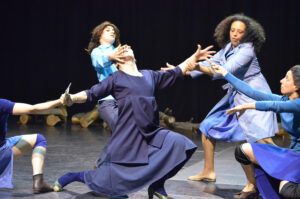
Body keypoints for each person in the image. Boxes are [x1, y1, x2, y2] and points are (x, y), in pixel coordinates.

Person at [53, 44, 215, 198]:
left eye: (128, 47)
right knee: (107, 180)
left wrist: (193, 58)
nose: (126, 48)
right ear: (116, 63)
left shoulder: (149, 75)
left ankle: (157, 184)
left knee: (182, 145)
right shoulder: (116, 78)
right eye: (122, 49)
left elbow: (177, 71)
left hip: (152, 133)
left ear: (134, 58)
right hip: (128, 135)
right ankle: (73, 176)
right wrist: (72, 98)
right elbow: (91, 93)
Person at [178, 14, 278, 196]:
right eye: (232, 30)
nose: (235, 34)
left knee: (260, 139)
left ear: (247, 34)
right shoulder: (228, 48)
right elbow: (212, 63)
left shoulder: (248, 50)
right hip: (235, 96)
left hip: (252, 95)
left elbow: (224, 71)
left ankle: (274, 178)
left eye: (240, 32)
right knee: (208, 127)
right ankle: (209, 171)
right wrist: (179, 70)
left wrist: (195, 66)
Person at [211, 62, 300, 198]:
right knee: (243, 150)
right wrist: (225, 74)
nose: (281, 80)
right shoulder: (285, 100)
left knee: (287, 192)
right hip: (292, 156)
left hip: (297, 160)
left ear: (297, 86)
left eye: (287, 78)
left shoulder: (297, 104)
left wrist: (246, 106)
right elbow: (253, 92)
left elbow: (274, 106)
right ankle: (253, 187)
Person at [0, 97, 63, 193]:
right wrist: (59, 101)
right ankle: (39, 182)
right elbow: (33, 109)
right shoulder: (2, 104)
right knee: (39, 140)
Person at [86, 21, 127, 130]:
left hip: (125, 98)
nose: (112, 32)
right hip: (108, 100)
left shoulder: (120, 50)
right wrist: (111, 57)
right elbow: (99, 61)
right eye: (108, 30)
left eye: (113, 31)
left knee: (129, 131)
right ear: (99, 35)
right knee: (121, 129)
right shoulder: (97, 52)